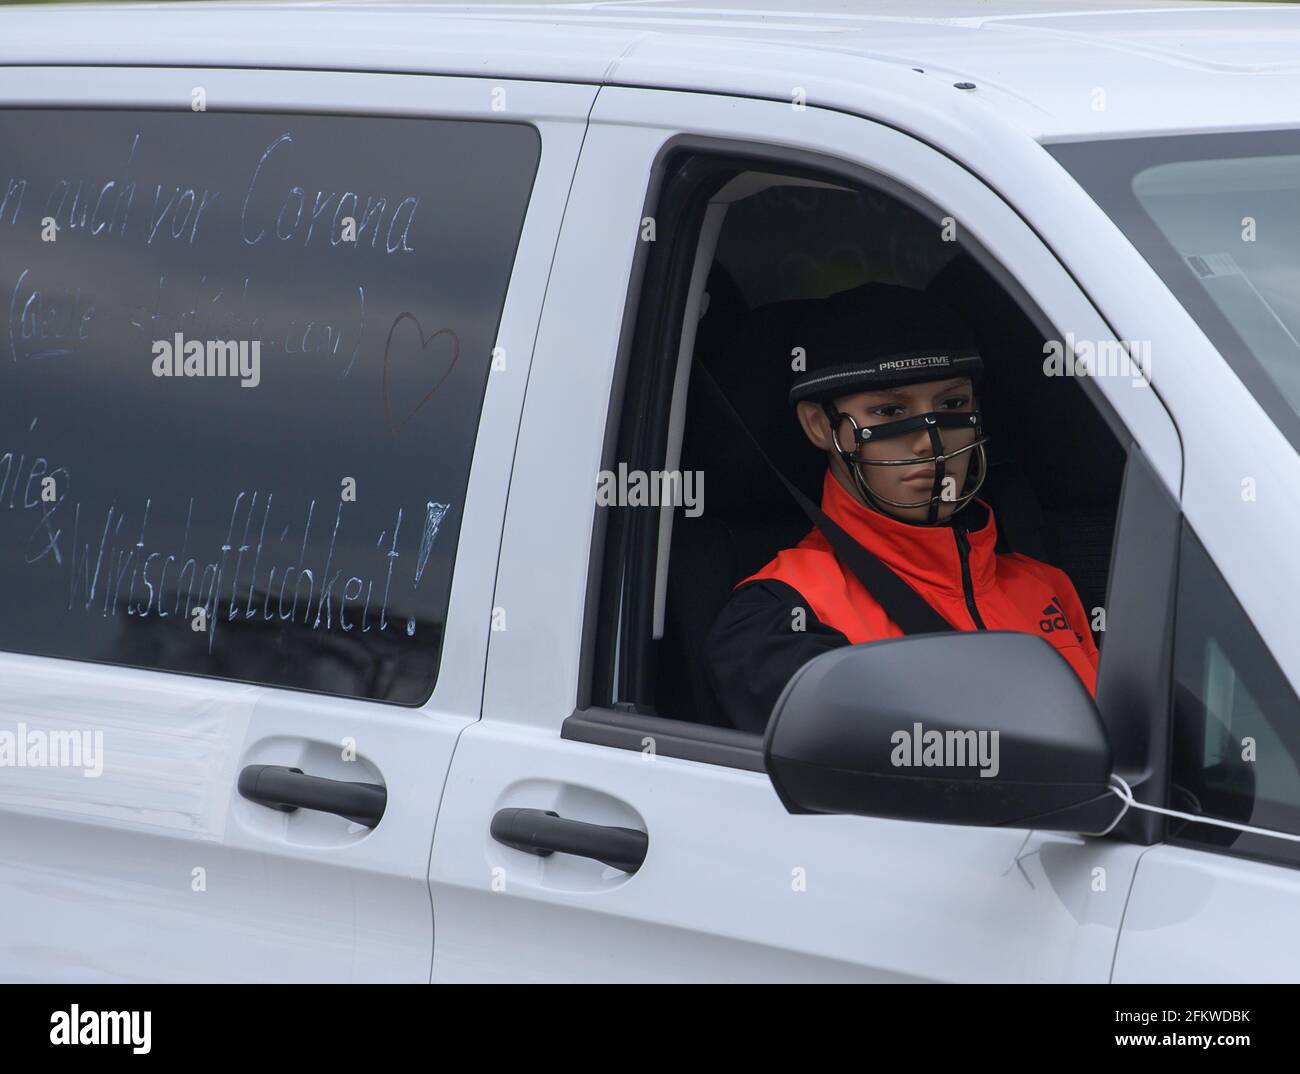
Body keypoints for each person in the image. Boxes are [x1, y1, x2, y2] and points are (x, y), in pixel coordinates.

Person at [705, 282, 1099, 734]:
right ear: (819, 426)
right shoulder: (780, 616)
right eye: (890, 412)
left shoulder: (1045, 584)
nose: (927, 443)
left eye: (953, 404)